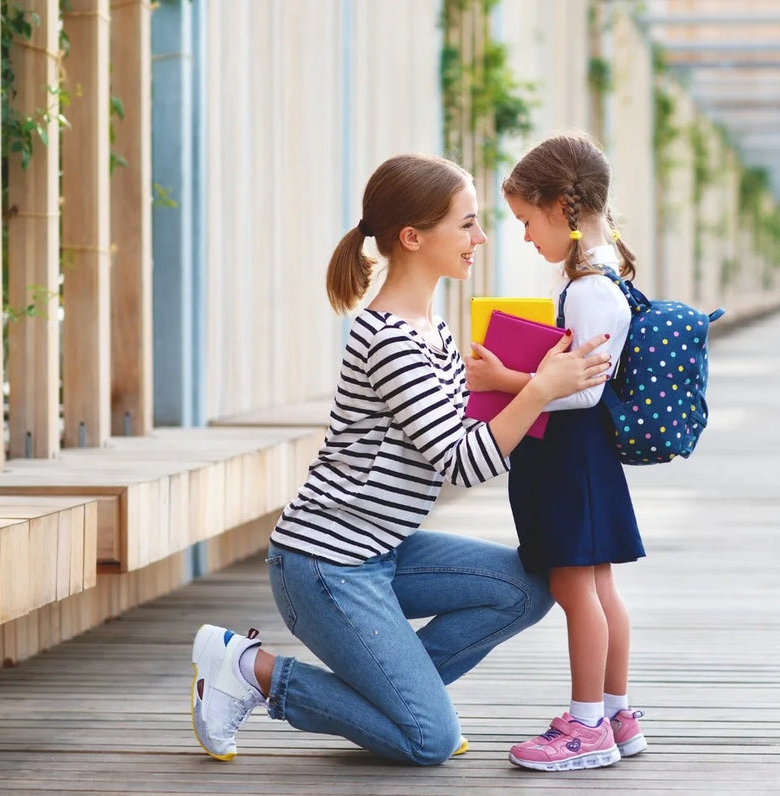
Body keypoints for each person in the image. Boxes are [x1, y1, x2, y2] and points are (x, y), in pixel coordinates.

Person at [190, 154, 613, 766]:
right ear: (413, 237)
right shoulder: (389, 339)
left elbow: (463, 427)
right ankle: (252, 671)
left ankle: (396, 702)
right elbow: (462, 462)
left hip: (383, 549)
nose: (481, 237)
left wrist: (524, 380)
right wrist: (540, 388)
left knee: (527, 587)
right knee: (428, 741)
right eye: (466, 224)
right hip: (325, 565)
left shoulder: (433, 329)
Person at [463, 133, 647, 772]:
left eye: (526, 220)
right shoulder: (601, 278)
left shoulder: (588, 288)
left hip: (569, 460)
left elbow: (581, 393)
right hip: (582, 462)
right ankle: (616, 713)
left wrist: (502, 381)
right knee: (598, 589)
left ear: (562, 206)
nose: (523, 236)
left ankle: (587, 723)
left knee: (577, 592)